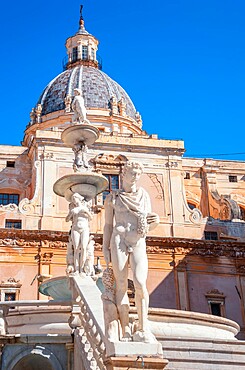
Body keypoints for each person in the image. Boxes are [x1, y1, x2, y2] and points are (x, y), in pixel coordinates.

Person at [102, 161, 159, 342]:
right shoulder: (112, 198)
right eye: (132, 173)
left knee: (140, 283)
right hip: (118, 239)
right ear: (123, 174)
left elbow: (148, 224)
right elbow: (108, 225)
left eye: (137, 174)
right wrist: (104, 247)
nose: (135, 177)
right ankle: (125, 328)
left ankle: (143, 327)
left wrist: (156, 220)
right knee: (121, 285)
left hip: (138, 241)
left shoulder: (144, 196)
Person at [66, 193, 93, 274]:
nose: (74, 200)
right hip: (75, 228)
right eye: (73, 199)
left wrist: (85, 211)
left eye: (75, 198)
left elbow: (91, 218)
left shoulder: (85, 207)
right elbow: (67, 219)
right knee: (76, 248)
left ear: (79, 198)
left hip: (84, 228)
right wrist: (71, 213)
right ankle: (77, 270)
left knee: (84, 248)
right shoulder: (73, 209)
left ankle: (82, 270)